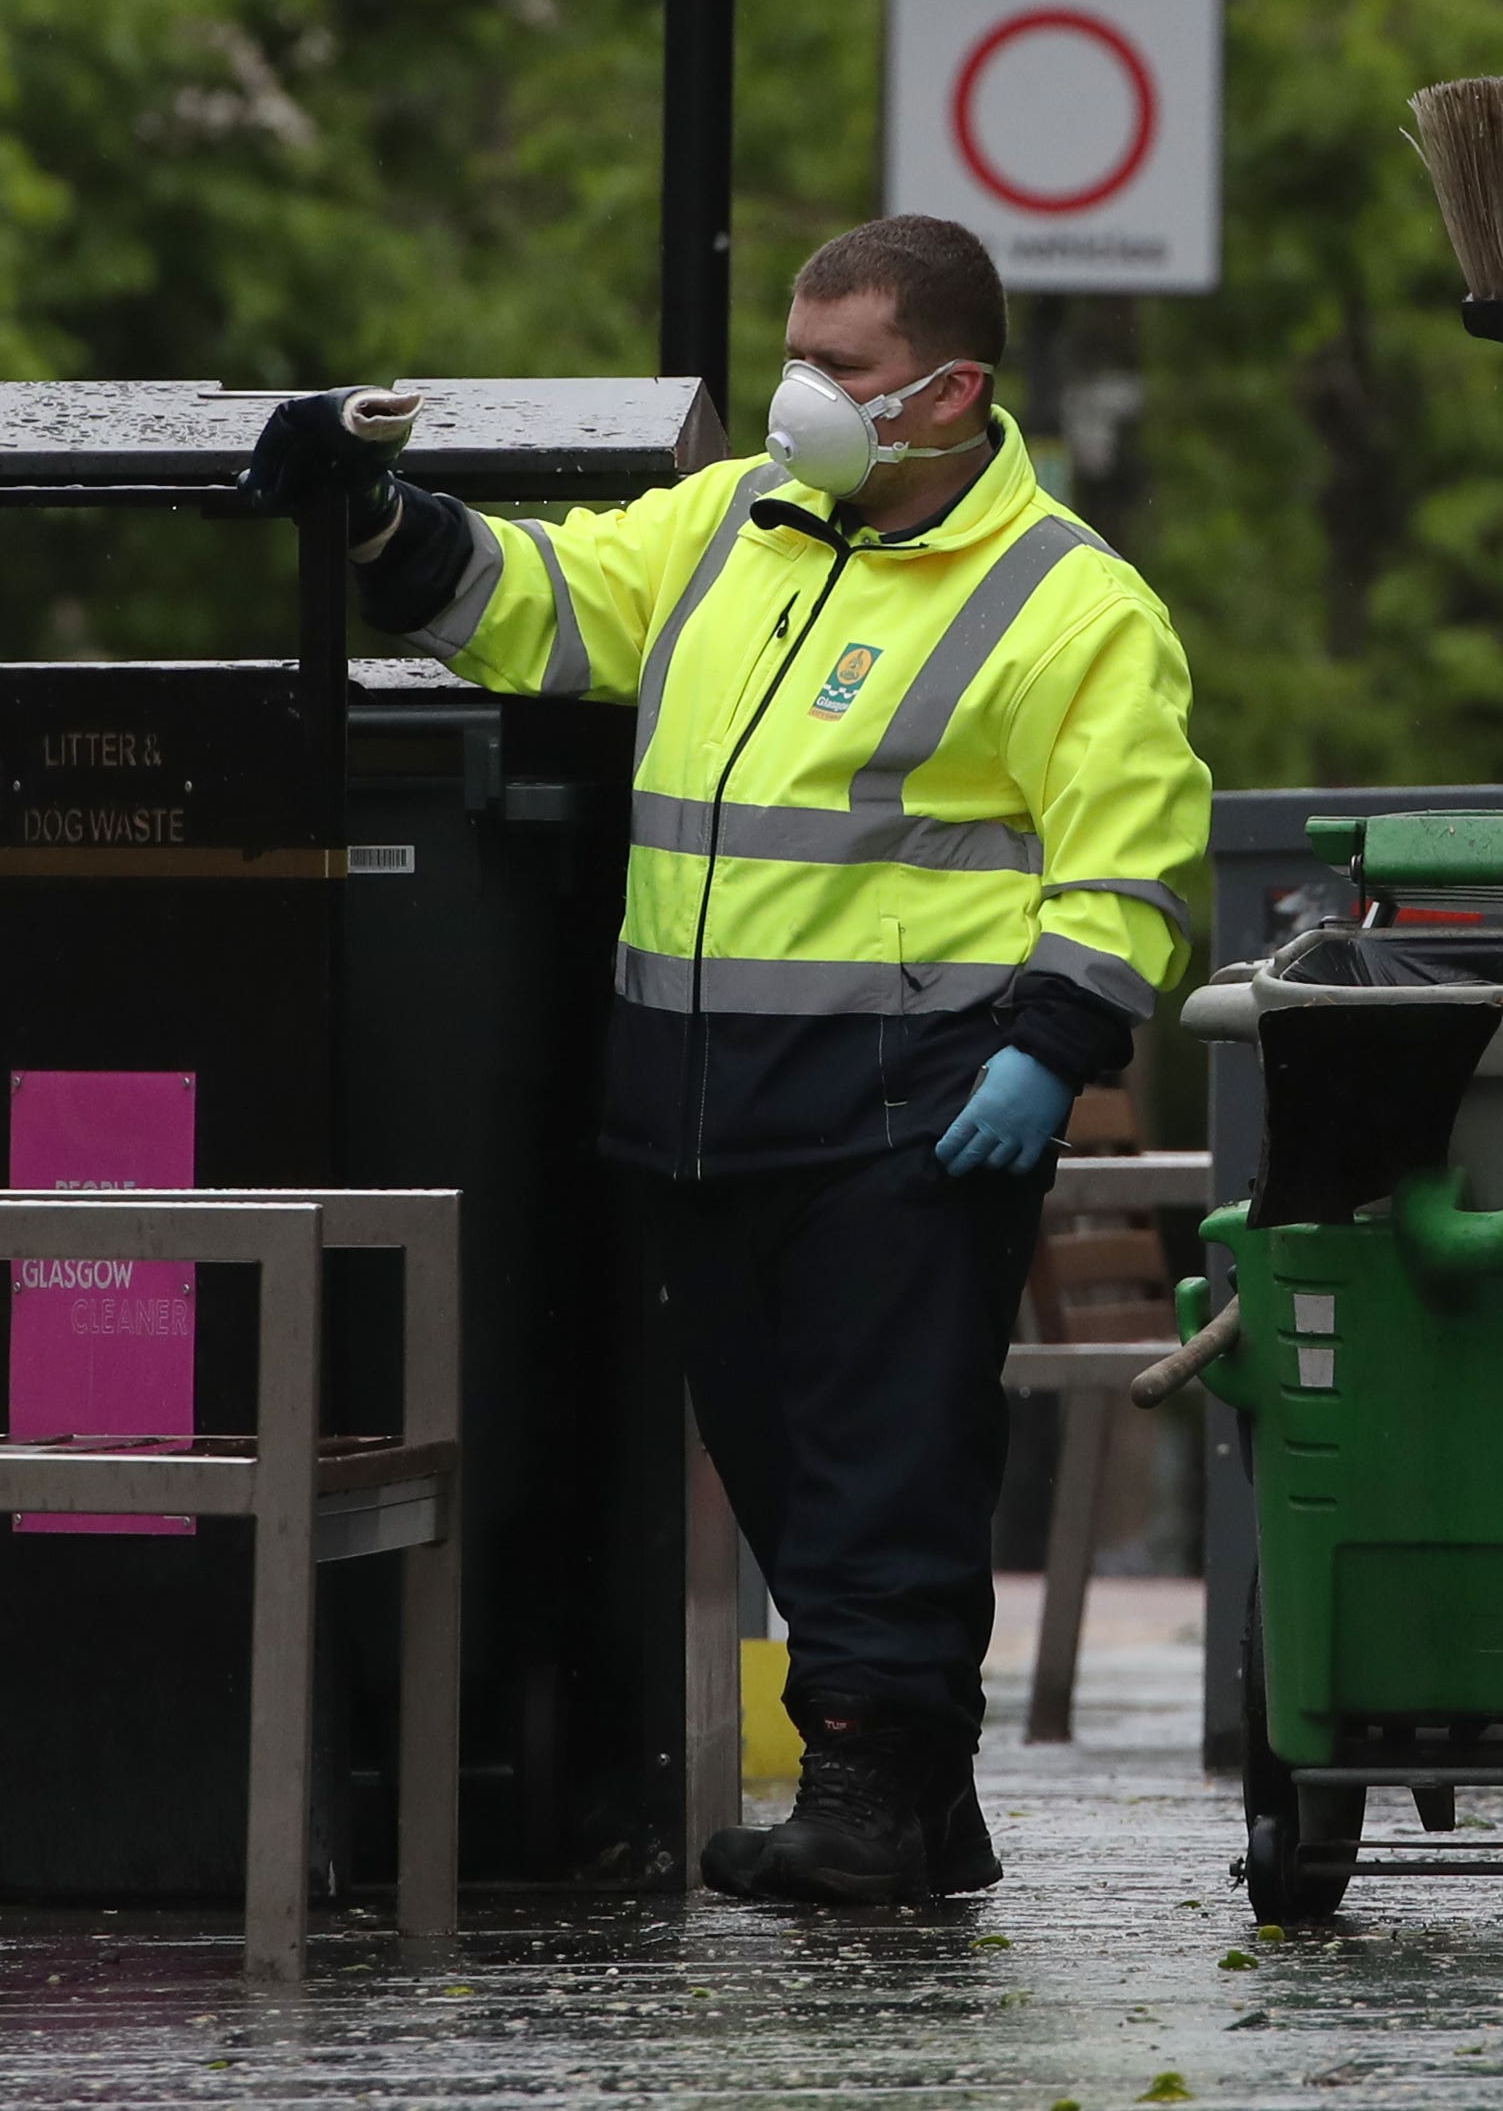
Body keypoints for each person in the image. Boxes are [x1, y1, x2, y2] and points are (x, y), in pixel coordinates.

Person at [240, 213, 1211, 1902]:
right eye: (794, 355)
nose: (799, 398)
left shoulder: (1072, 605)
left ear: (950, 390)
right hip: (700, 1101)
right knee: (782, 1454)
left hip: (914, 1107)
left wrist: (1052, 1045)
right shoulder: (729, 530)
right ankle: (920, 1790)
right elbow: (534, 607)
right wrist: (377, 516)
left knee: (880, 1459)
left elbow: (1132, 860)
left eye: (840, 368)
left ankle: (872, 1797)